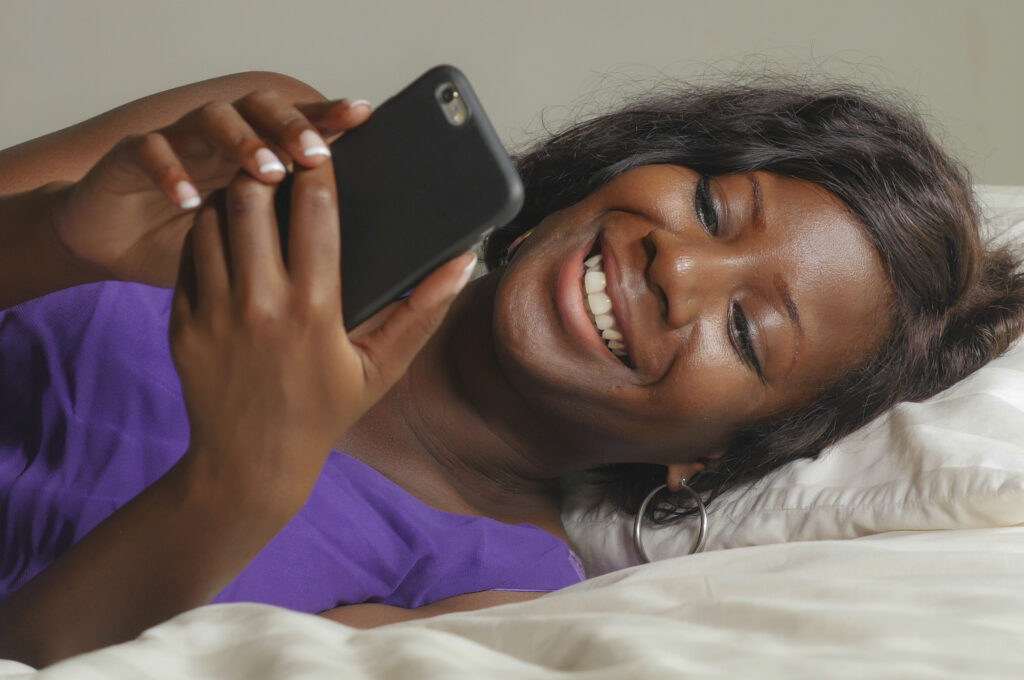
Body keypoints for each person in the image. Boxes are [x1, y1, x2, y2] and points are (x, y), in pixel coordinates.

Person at [0, 71, 1021, 667]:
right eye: (712, 207)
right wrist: (60, 235)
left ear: (712, 460)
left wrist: (245, 479)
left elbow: (46, 657)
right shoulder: (276, 151)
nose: (679, 268)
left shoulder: (499, 591)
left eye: (748, 333)